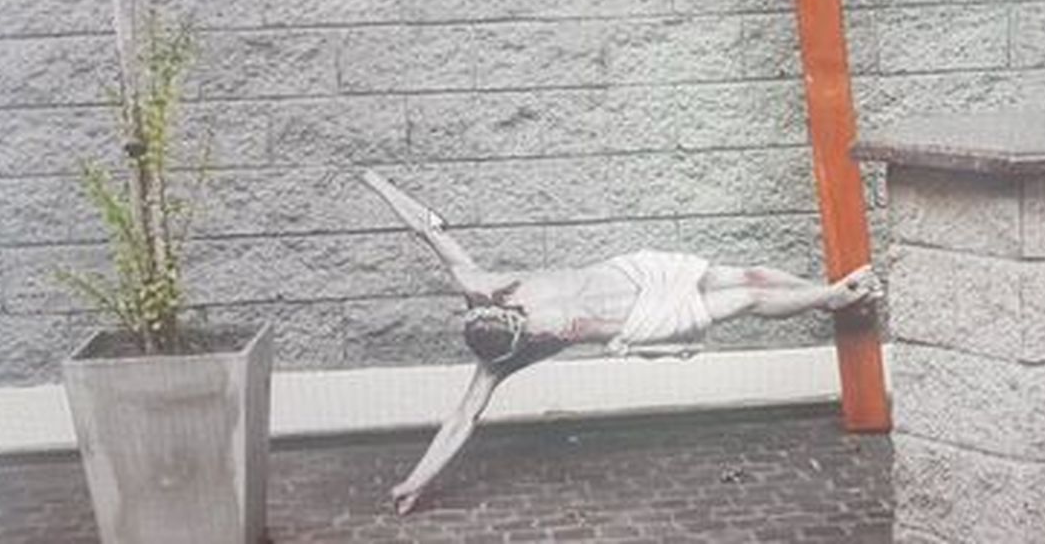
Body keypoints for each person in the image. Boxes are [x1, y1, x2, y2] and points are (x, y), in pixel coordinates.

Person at [360, 170, 885, 515]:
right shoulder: (506, 360)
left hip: (635, 272)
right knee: (745, 299)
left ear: (494, 307)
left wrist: (377, 184)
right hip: (643, 319)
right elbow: (461, 419)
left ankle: (828, 293)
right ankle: (834, 296)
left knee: (744, 274)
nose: (522, 330)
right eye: (517, 337)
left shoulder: (478, 280)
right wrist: (417, 479)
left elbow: (429, 230)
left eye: (512, 321)